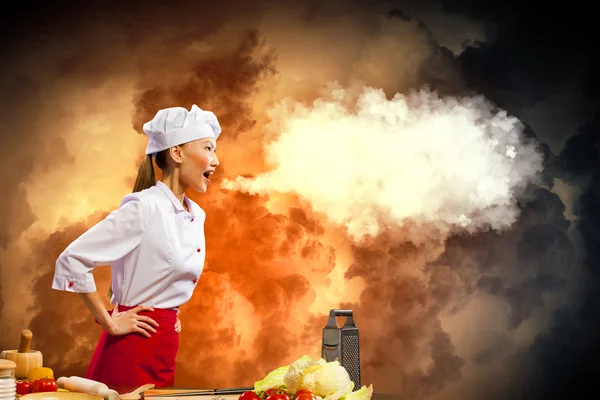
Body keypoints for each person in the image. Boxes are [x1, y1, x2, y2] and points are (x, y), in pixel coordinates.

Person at [51, 104, 221, 391]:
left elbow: (165, 274)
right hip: (130, 352)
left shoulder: (196, 215)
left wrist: (168, 311)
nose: (215, 160)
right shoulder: (144, 207)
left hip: (164, 346)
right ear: (176, 153)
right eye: (208, 148)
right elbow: (72, 260)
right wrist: (110, 322)